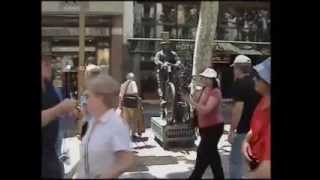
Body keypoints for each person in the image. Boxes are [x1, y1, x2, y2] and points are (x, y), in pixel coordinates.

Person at [75, 74, 134, 179]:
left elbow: (126, 160)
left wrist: (105, 176)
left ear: (100, 98)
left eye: (88, 96)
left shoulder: (116, 124)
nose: (85, 100)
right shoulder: (93, 120)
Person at [41, 41, 78, 178]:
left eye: (50, 62)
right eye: (45, 63)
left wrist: (67, 111)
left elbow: (56, 107)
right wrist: (59, 109)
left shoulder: (48, 84)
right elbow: (56, 109)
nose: (50, 66)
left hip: (50, 153)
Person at [186, 68, 225, 179]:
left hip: (214, 128)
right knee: (213, 157)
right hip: (204, 128)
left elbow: (206, 110)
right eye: (203, 77)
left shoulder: (215, 92)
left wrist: (192, 102)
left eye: (206, 78)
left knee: (202, 157)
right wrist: (195, 92)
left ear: (212, 80)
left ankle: (195, 176)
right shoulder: (203, 89)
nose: (203, 79)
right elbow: (195, 102)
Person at [228, 55, 261, 179]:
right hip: (257, 129)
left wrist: (232, 130)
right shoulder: (258, 82)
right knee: (255, 160)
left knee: (236, 161)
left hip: (243, 130)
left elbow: (238, 110)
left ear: (237, 69)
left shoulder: (239, 85)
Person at [242, 57, 271, 178]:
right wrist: (246, 140)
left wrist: (250, 176)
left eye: (259, 77)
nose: (254, 79)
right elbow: (255, 128)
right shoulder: (263, 100)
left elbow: (268, 169)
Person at [154, 39, 181, 117]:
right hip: (162, 72)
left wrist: (177, 64)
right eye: (164, 45)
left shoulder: (173, 54)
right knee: (161, 85)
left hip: (171, 72)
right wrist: (162, 64)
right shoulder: (159, 54)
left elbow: (178, 60)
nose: (166, 46)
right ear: (162, 46)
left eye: (167, 45)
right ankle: (162, 100)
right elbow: (156, 60)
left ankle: (177, 97)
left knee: (176, 84)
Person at [119, 72, 145, 140]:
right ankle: (133, 134)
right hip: (132, 103)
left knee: (126, 120)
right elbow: (135, 92)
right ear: (133, 78)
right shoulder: (133, 83)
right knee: (133, 119)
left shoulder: (123, 84)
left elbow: (121, 95)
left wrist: (120, 105)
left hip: (125, 104)